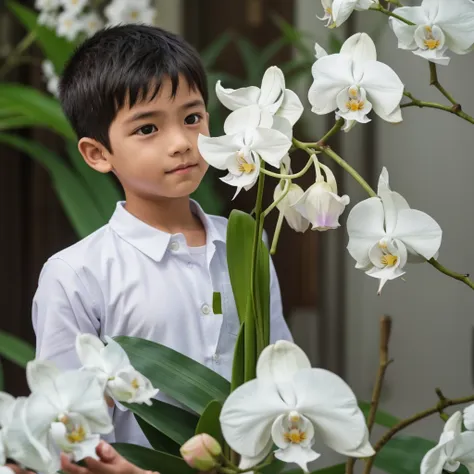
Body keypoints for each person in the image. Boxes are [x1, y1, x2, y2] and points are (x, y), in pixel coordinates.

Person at [31, 23, 292, 473]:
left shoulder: (246, 240)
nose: (181, 143)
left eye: (193, 118)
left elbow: (281, 369)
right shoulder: (76, 274)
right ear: (98, 154)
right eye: (147, 127)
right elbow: (66, 429)